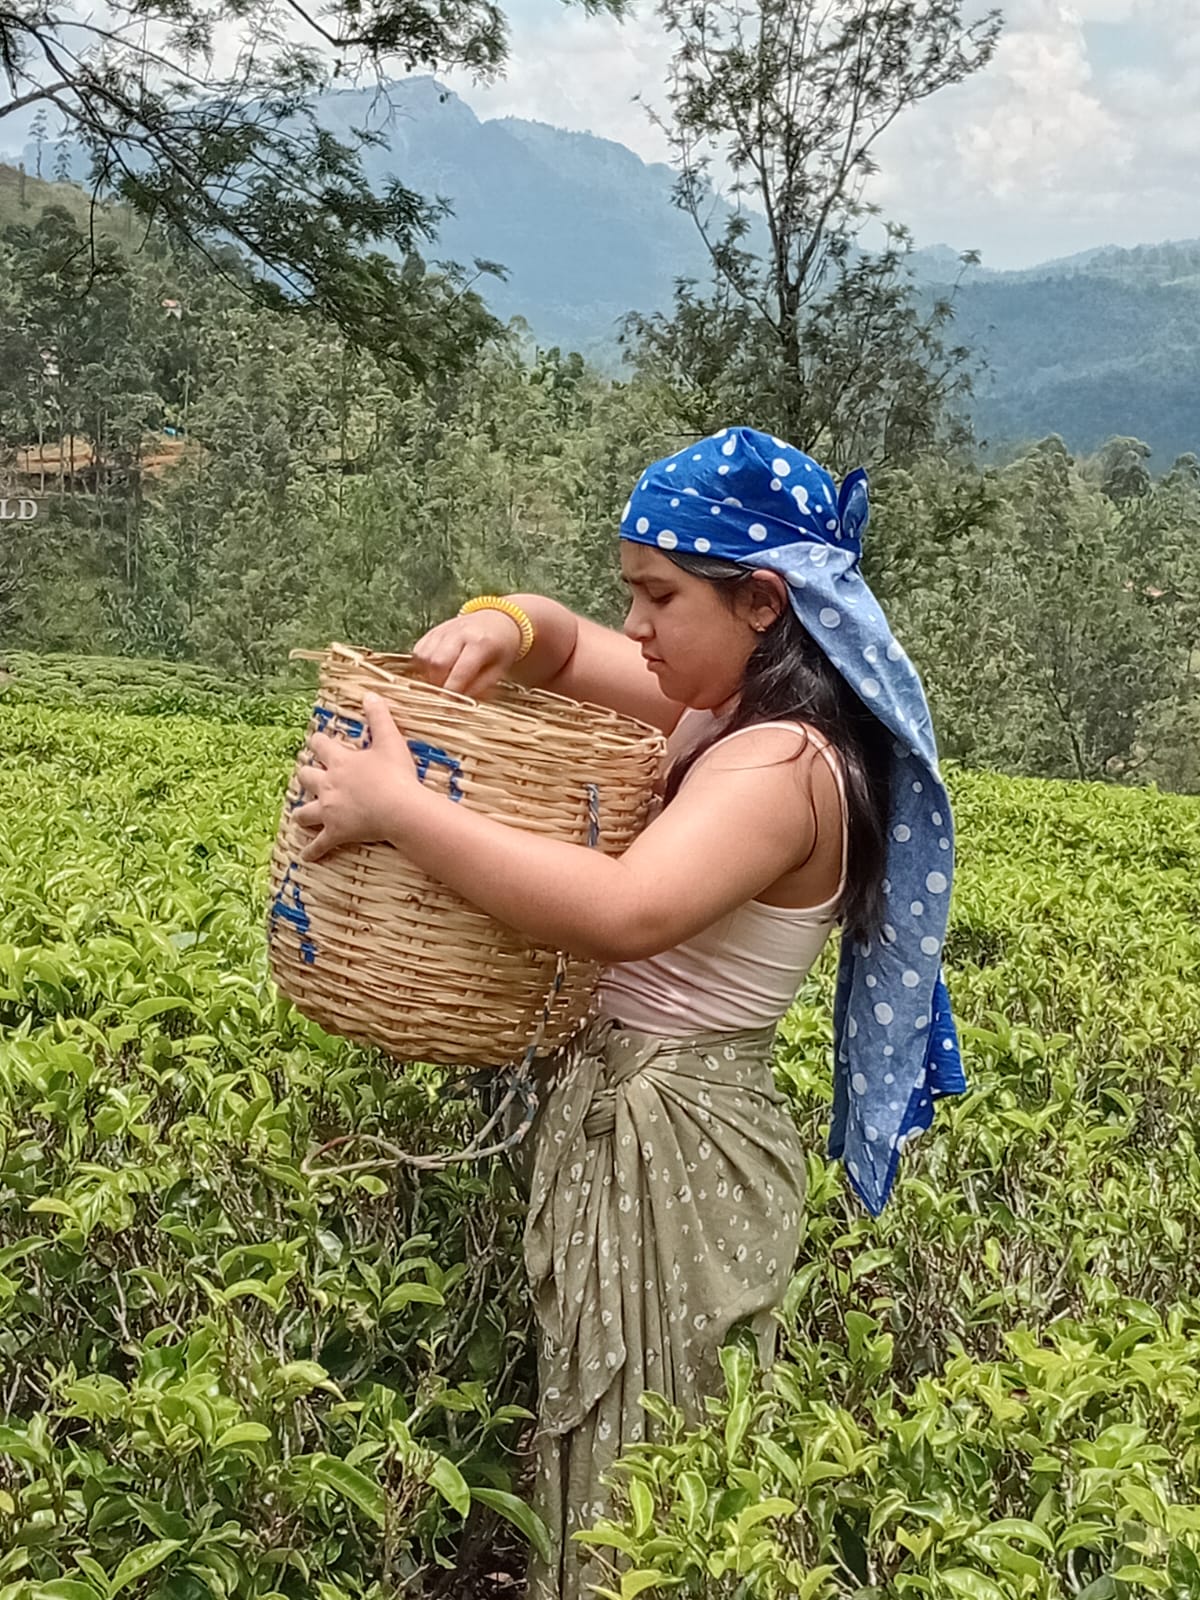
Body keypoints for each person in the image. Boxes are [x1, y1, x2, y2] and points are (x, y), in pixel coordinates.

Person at [294, 426, 965, 1600]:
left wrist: (401, 810)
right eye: (631, 593)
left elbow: (623, 910)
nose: (637, 625)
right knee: (607, 1436)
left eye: (658, 596)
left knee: (656, 1444)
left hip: (683, 1135)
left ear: (762, 601)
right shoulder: (717, 709)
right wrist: (502, 622)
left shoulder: (783, 766)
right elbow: (557, 643)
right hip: (641, 1118)